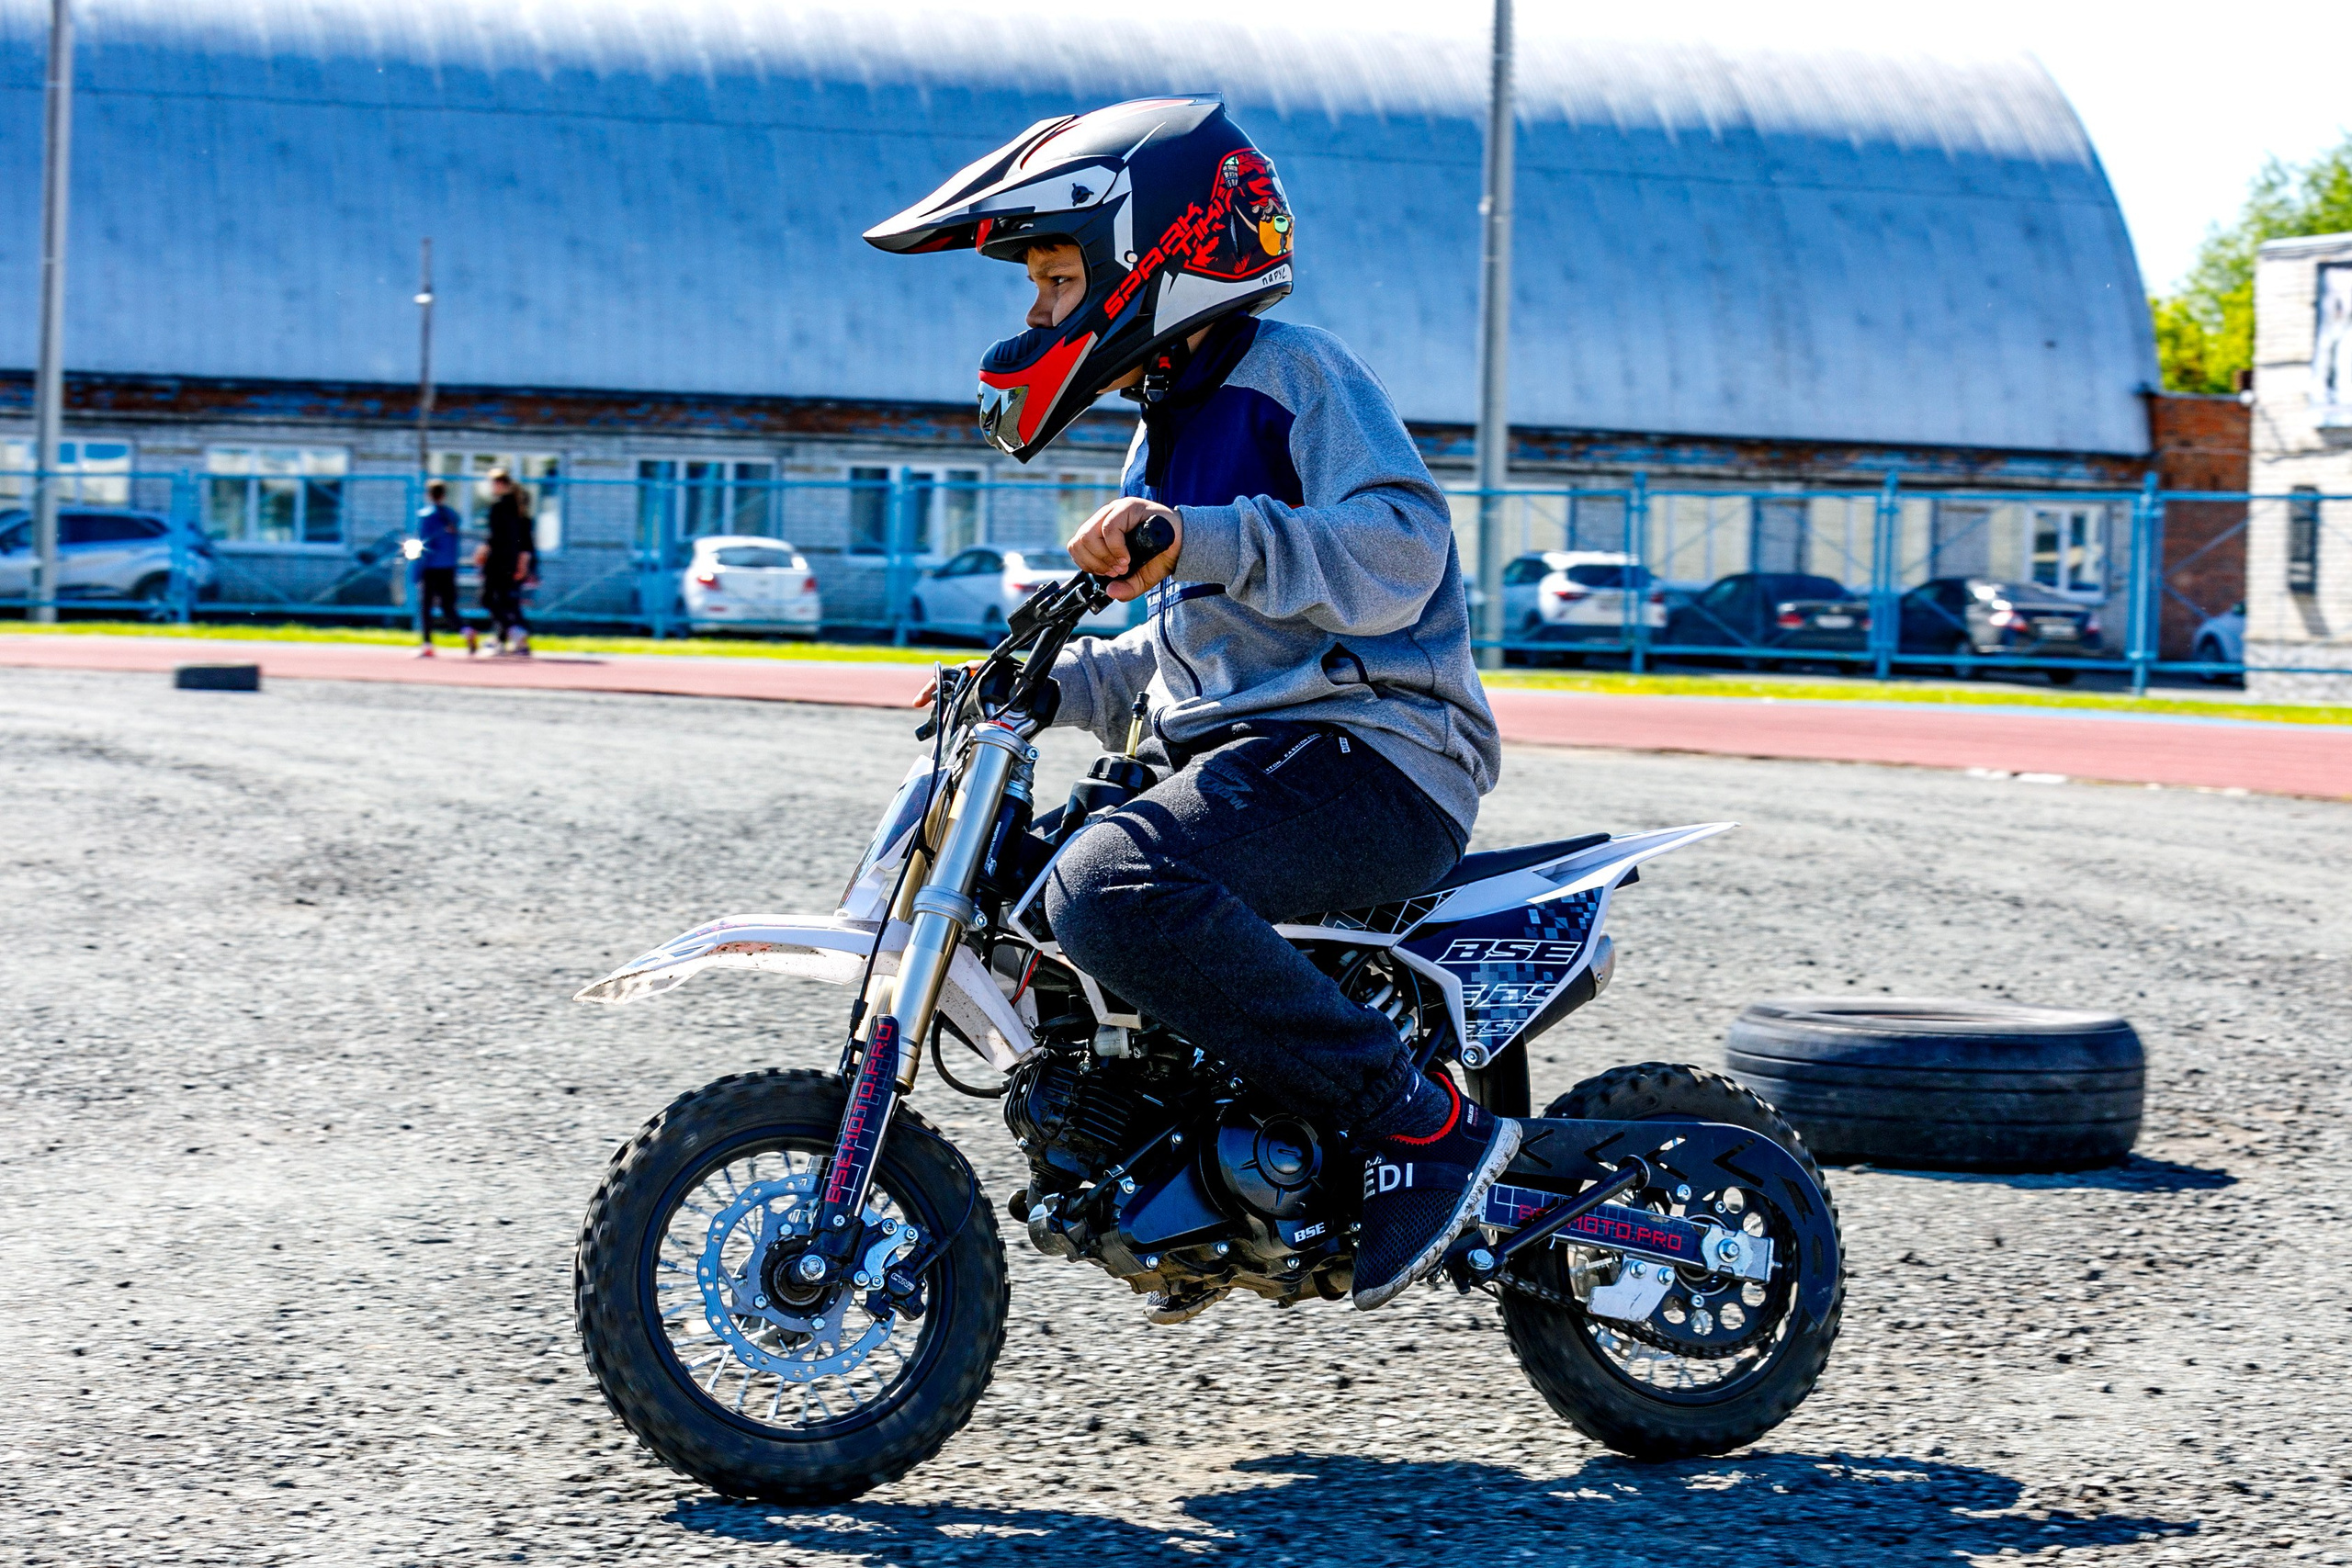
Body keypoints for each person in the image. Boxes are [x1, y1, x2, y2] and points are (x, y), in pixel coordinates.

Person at [870, 97, 1508, 1316]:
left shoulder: (1295, 376)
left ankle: (1412, 1120)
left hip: (1376, 753)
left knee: (1110, 884)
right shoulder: (1158, 440)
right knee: (1035, 889)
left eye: (1054, 280)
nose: (1036, 315)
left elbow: (1404, 551)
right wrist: (1046, 684)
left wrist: (1201, 533)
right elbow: (1178, 661)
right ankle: (1202, 1185)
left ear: (1142, 260)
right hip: (1256, 761)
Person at [409, 480, 473, 658]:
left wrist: (416, 572)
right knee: (448, 606)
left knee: (426, 606)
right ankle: (466, 630)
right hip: (449, 567)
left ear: (429, 494)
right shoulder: (452, 516)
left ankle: (427, 644)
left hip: (431, 568)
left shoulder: (426, 516)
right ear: (444, 495)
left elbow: (423, 545)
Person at [476, 469, 536, 656]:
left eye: (492, 483)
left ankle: (515, 631)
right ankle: (505, 640)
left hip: (497, 560)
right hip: (512, 561)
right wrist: (522, 564)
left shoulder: (499, 507)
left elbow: (494, 537)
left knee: (487, 598)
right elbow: (526, 543)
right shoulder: (521, 512)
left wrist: (482, 552)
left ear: (500, 484)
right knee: (507, 601)